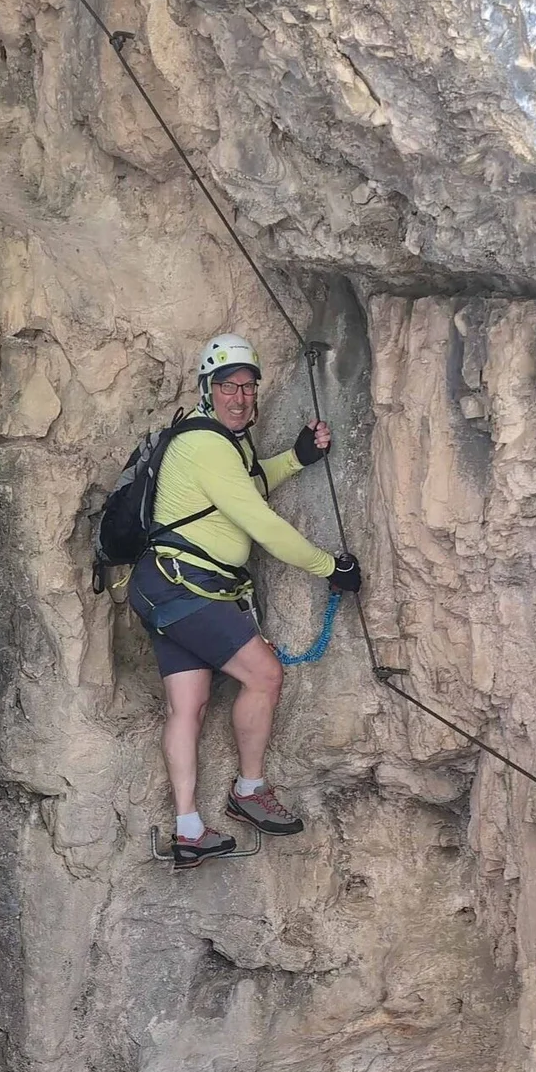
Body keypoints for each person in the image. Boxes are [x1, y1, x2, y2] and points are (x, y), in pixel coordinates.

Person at [128, 335, 364, 867]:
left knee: (187, 705)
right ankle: (249, 791)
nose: (239, 396)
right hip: (186, 588)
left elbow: (248, 485)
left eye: (247, 387)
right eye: (228, 386)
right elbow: (260, 523)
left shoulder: (224, 444)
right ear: (208, 390)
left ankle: (188, 828)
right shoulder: (206, 443)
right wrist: (331, 567)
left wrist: (297, 459)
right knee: (265, 675)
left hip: (163, 588)